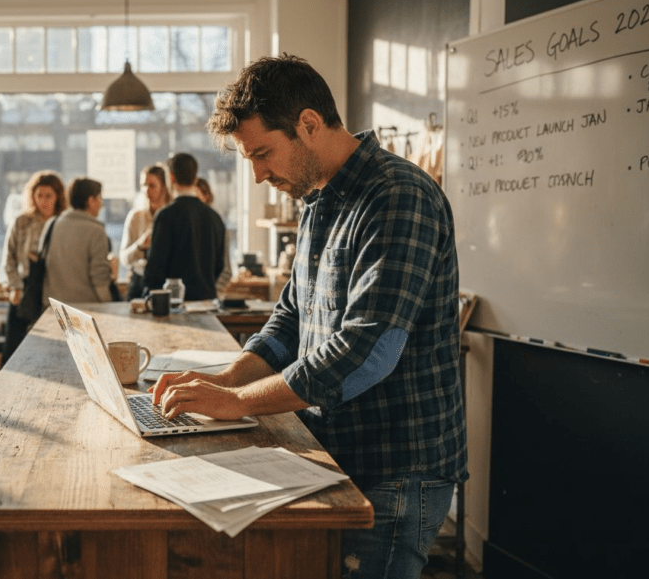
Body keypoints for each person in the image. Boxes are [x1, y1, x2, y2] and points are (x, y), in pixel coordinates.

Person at [152, 54, 467, 579]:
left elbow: (365, 352)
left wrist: (234, 401)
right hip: (336, 450)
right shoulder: (319, 201)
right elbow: (292, 317)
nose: (256, 175)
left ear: (309, 124)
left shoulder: (399, 196)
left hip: (396, 466)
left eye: (262, 154)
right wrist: (225, 379)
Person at [1, 171, 67, 365]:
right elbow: (9, 258)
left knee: (52, 352)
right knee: (14, 349)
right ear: (32, 196)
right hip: (25, 288)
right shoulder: (22, 222)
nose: (44, 201)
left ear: (58, 197)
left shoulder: (63, 223)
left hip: (55, 290)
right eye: (39, 195)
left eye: (49, 196)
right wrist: (15, 286)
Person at [143, 153, 225, 301]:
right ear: (195, 178)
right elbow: (220, 265)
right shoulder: (215, 217)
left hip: (174, 302)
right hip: (207, 301)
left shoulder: (165, 216)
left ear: (171, 178)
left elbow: (156, 266)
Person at [42, 177, 113, 305]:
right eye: (99, 198)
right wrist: (109, 304)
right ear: (91, 200)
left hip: (53, 308)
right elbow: (99, 278)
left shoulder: (52, 224)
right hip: (85, 309)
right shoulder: (96, 231)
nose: (101, 204)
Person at [119, 164, 172, 300]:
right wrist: (140, 245)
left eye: (152, 185)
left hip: (167, 282)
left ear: (164, 187)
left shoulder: (173, 215)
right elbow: (124, 258)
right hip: (139, 282)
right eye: (143, 185)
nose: (146, 190)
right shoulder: (135, 216)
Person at [195, 177, 233, 298]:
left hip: (212, 299)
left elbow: (226, 271)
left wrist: (215, 294)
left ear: (207, 196)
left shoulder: (217, 225)